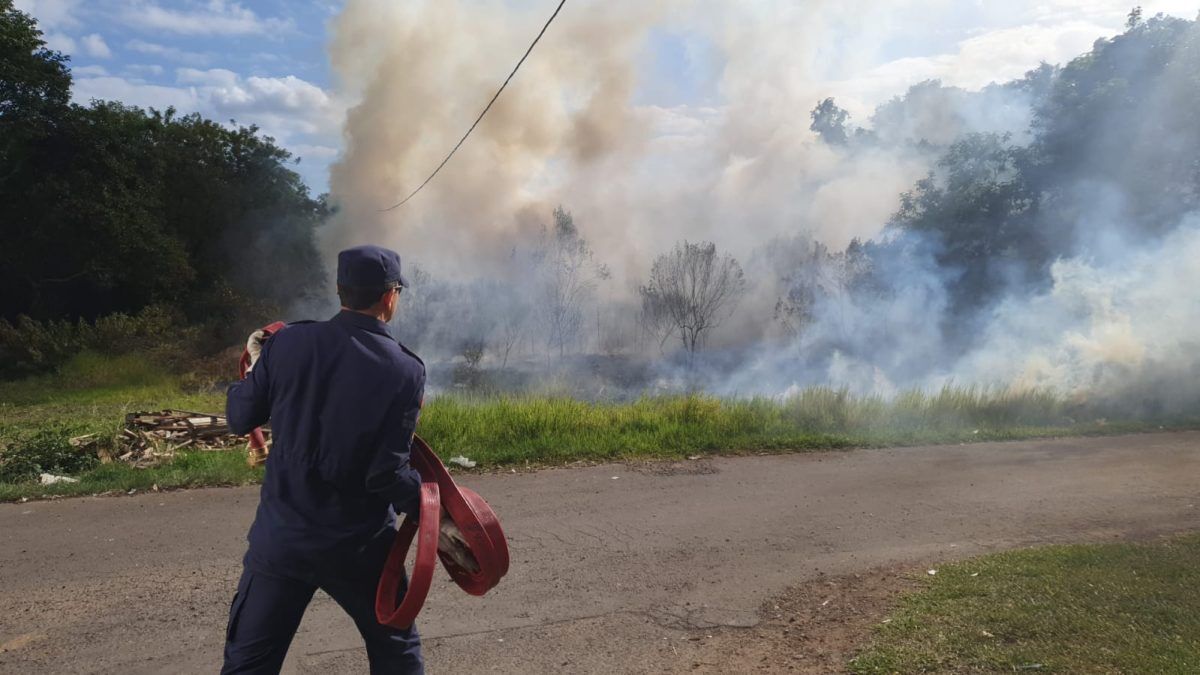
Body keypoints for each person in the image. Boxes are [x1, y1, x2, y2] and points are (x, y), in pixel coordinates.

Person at [222, 245, 455, 674]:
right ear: (390, 295)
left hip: (283, 541)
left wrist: (257, 364)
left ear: (338, 290)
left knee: (248, 665)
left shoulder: (288, 343)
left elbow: (240, 418)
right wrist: (436, 515)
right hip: (360, 548)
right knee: (395, 651)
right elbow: (386, 473)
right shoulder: (404, 369)